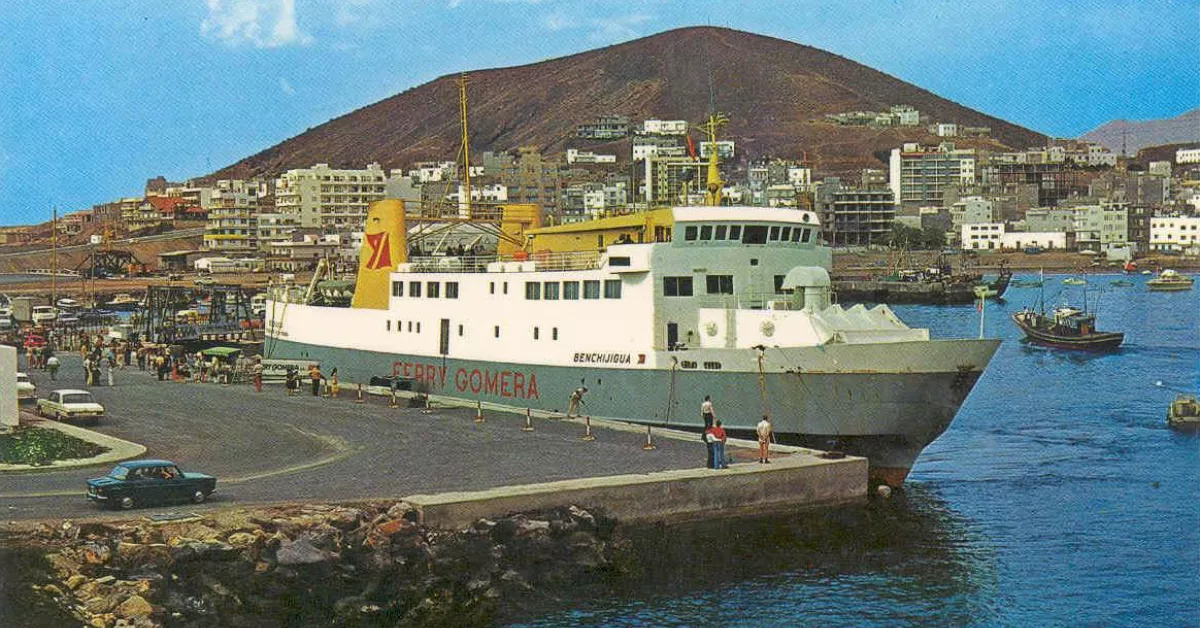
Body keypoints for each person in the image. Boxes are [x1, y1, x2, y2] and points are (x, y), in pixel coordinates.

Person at [701, 395, 716, 468]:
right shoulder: (709, 404)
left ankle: (704, 434)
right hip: (709, 414)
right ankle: (709, 432)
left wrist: (702, 415)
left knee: (706, 424)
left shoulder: (703, 404)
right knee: (710, 425)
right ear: (708, 399)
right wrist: (714, 416)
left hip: (705, 414)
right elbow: (711, 410)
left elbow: (701, 410)